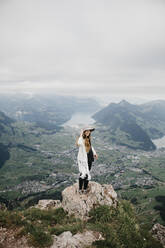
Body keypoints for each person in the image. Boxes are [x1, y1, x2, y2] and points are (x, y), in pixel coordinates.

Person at [76, 127, 98, 194]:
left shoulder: (88, 139)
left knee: (87, 173)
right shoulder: (81, 139)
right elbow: (79, 143)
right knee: (83, 174)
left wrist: (94, 153)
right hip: (83, 159)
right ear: (84, 132)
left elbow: (91, 147)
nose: (88, 132)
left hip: (90, 158)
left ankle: (85, 188)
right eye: (86, 131)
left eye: (89, 131)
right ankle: (80, 189)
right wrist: (81, 134)